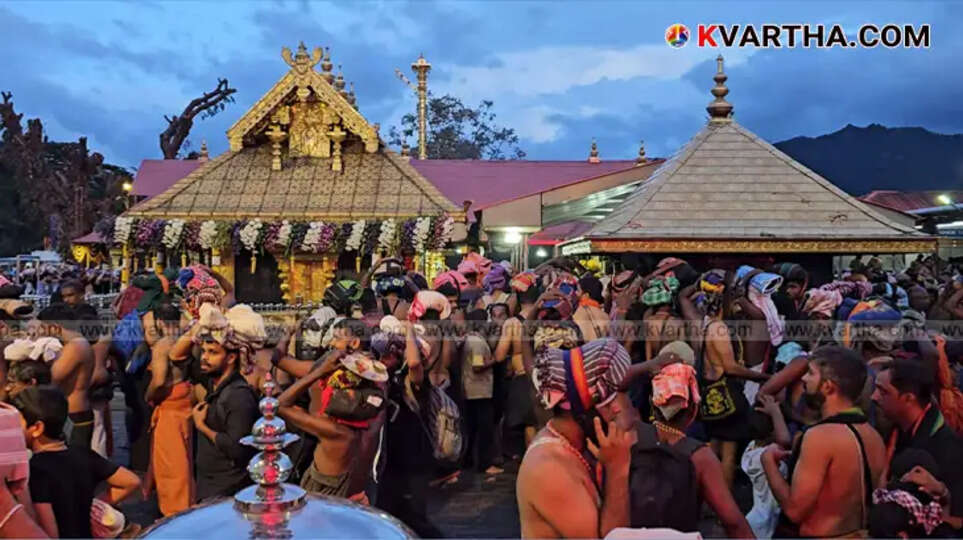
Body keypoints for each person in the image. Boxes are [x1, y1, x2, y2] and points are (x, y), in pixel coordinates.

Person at [763, 346, 886, 538]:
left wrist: (768, 462)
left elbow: (795, 512)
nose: (803, 379)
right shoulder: (874, 437)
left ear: (829, 386)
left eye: (811, 373)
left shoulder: (819, 437)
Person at [517, 338, 634, 539]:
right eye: (607, 400)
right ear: (581, 410)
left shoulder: (575, 446)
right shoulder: (550, 469)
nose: (617, 408)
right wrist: (618, 470)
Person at [631, 362, 754, 538]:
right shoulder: (699, 456)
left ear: (654, 403)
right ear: (693, 411)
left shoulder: (630, 438)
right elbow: (734, 522)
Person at [13, 386, 140, 538]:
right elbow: (131, 481)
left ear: (37, 428)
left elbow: (50, 531)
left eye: (15, 421)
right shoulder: (82, 454)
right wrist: (93, 504)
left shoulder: (36, 470)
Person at [277, 348, 386, 500]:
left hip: (321, 507)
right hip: (350, 503)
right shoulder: (372, 422)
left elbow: (280, 405)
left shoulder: (335, 432)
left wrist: (320, 372)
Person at [871, 358, 963, 529]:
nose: (873, 397)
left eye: (883, 392)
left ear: (908, 398)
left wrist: (943, 493)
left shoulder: (947, 447)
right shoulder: (895, 430)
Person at [191, 304, 261, 501]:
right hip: (210, 484)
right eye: (203, 351)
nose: (204, 358)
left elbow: (237, 448)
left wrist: (201, 426)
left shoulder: (238, 396)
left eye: (212, 352)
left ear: (231, 358)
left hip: (228, 490)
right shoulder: (216, 385)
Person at [143, 302, 195, 516]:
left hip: (169, 404)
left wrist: (148, 396)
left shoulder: (162, 345)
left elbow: (158, 380)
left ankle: (175, 512)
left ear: (160, 322)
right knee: (184, 459)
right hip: (184, 399)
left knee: (171, 465)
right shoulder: (186, 340)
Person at [36, 304, 96, 450]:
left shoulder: (76, 346)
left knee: (74, 466)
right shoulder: (75, 343)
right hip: (75, 412)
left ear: (54, 328)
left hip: (75, 414)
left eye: (43, 328)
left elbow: (52, 378)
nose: (41, 333)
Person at [461, 309, 502, 476]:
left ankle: (468, 461)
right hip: (479, 391)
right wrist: (494, 361)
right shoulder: (477, 343)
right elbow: (477, 366)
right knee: (484, 429)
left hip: (471, 390)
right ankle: (485, 465)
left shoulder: (468, 339)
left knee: (471, 428)